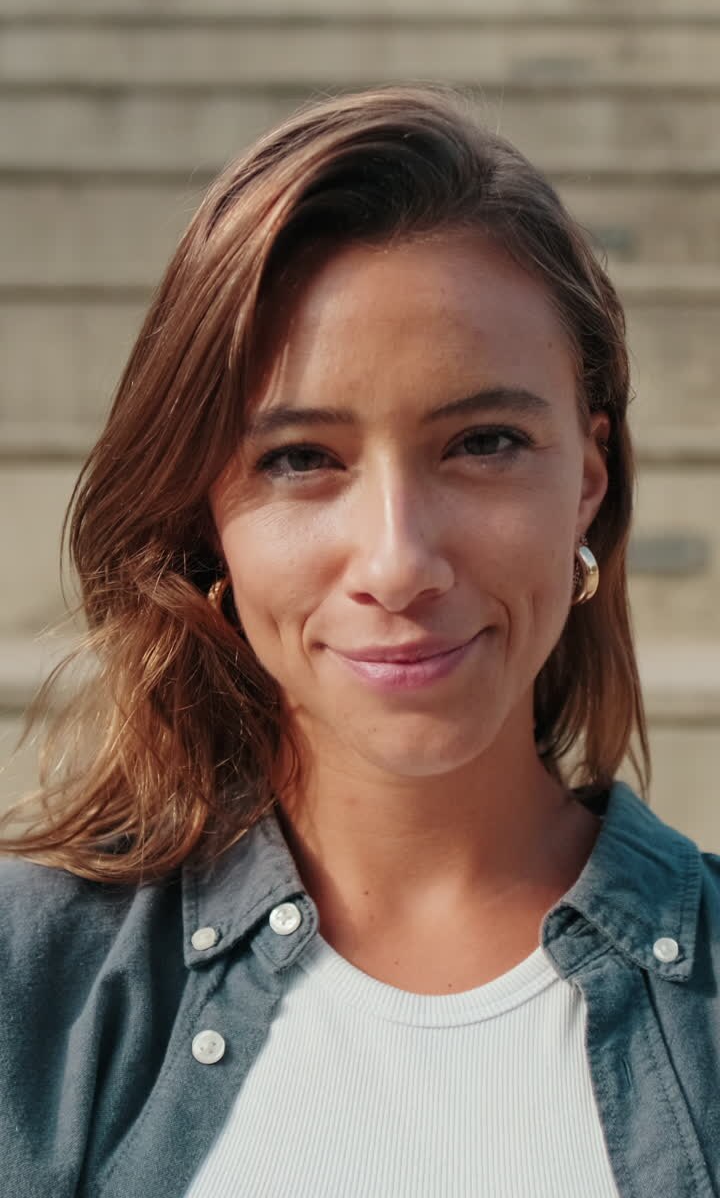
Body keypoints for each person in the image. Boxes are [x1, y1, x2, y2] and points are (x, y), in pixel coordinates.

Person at [0, 84, 718, 1198]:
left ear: (589, 473)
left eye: (484, 441)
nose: (397, 561)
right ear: (207, 513)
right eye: (300, 457)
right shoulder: (28, 980)